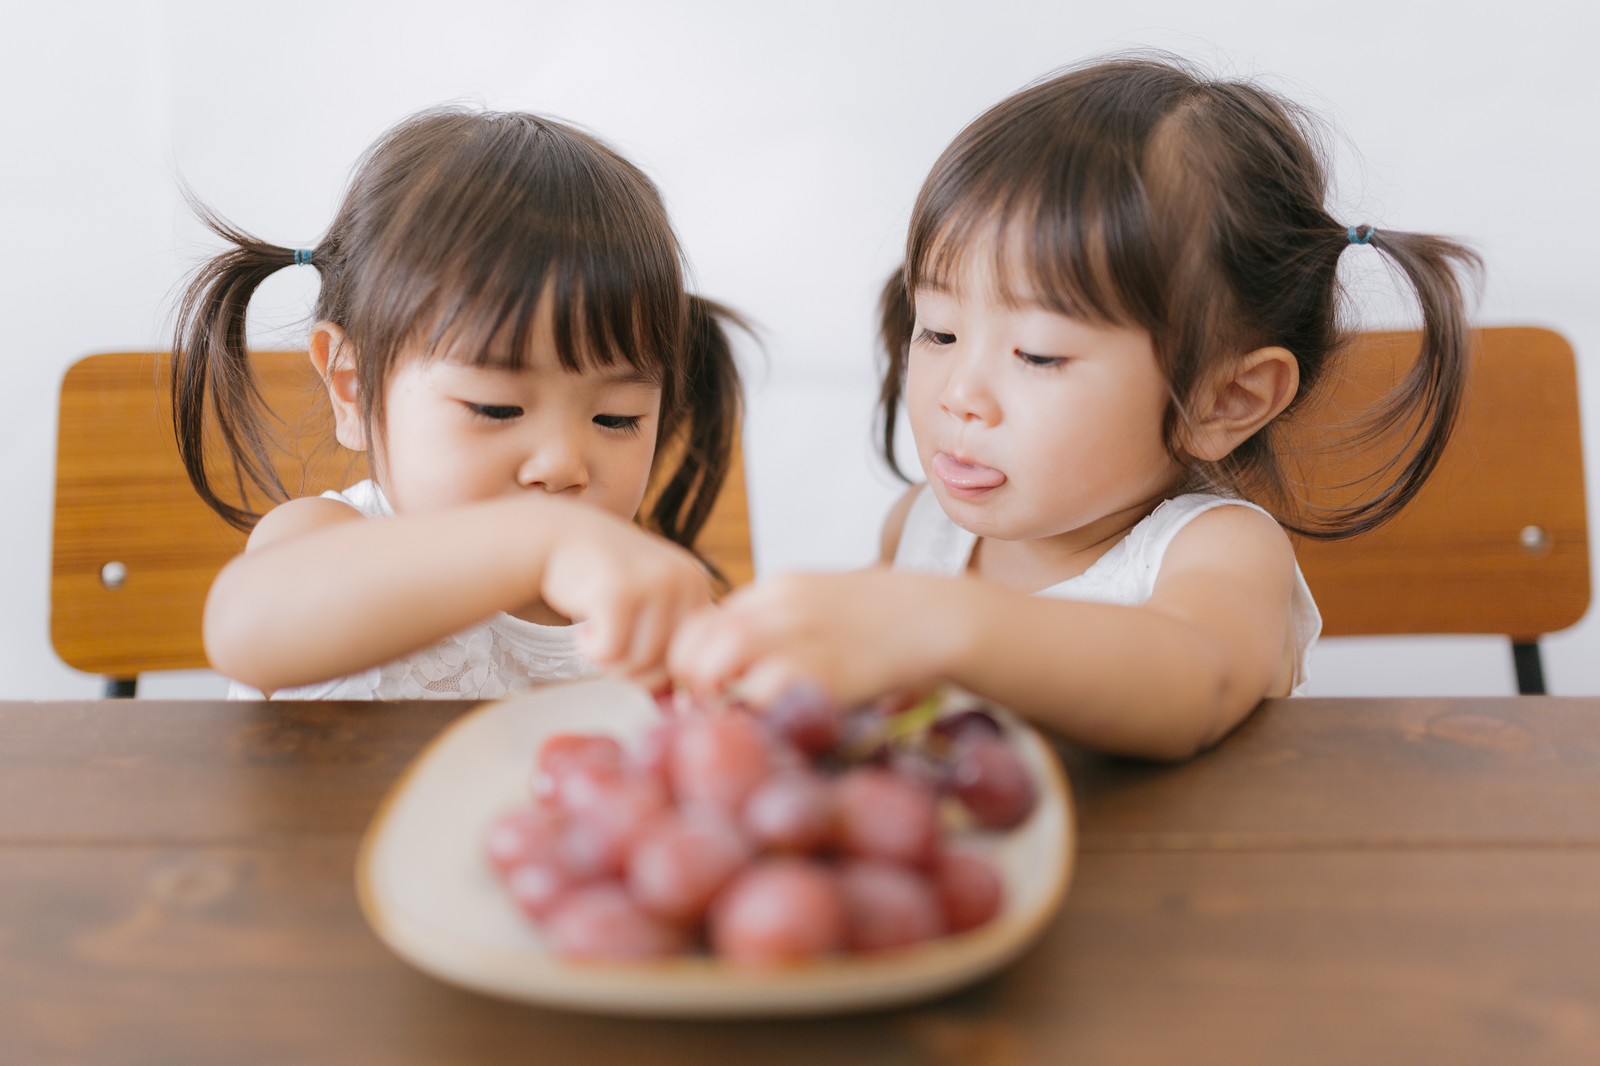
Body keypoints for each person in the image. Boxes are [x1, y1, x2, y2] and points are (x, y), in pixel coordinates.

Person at [668, 56, 1478, 760]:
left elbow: (1194, 678)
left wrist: (942, 623)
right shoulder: (922, 529)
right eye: (940, 330)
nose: (958, 394)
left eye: (1038, 355)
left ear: (1224, 399)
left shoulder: (1219, 553)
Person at [170, 107, 742, 700]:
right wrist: (540, 543)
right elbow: (244, 628)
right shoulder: (325, 539)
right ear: (352, 386)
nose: (561, 464)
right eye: (497, 409)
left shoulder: (629, 598)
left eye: (615, 418)